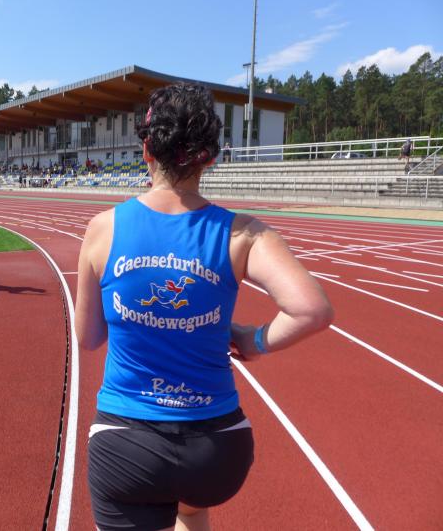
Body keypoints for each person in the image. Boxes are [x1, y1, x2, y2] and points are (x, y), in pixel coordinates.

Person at [75, 82, 334, 531]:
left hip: (127, 443)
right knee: (192, 509)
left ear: (146, 151)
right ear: (209, 157)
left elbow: (89, 337)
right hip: (216, 449)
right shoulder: (242, 233)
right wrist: (253, 340)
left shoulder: (103, 228)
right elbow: (312, 310)